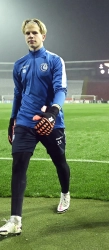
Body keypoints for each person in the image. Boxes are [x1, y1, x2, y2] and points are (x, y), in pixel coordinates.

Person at [0, 18, 71, 236]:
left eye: (34, 33)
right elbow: (18, 94)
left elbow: (61, 89)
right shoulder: (19, 64)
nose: (31, 36)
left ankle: (65, 193)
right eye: (27, 33)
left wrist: (52, 113)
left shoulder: (55, 60)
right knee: (18, 166)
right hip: (24, 122)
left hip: (51, 121)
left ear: (43, 36)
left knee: (60, 162)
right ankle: (15, 220)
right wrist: (12, 120)